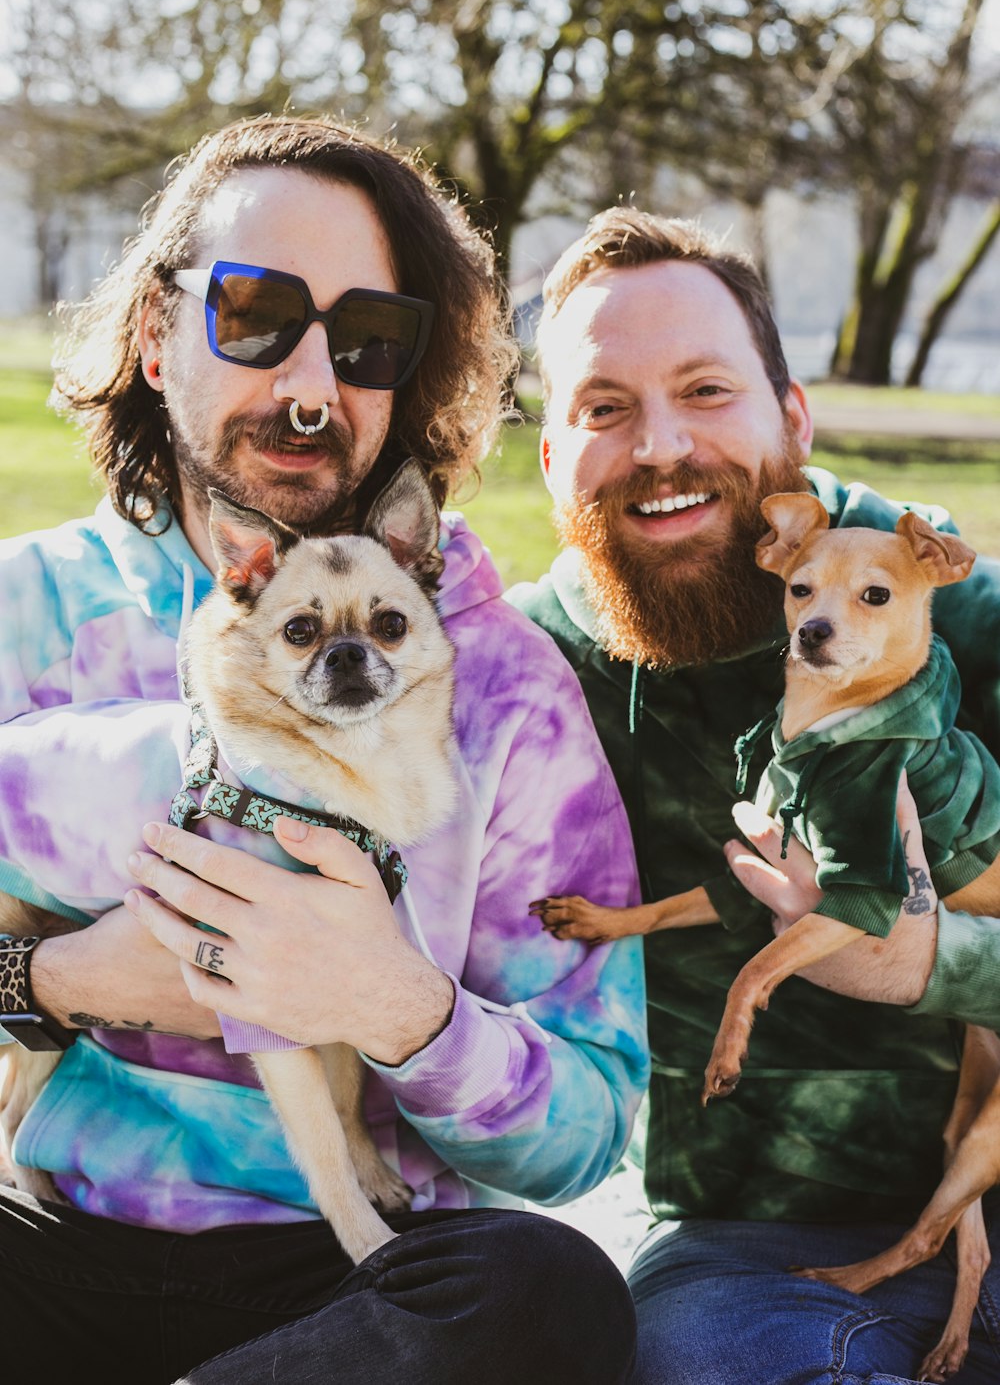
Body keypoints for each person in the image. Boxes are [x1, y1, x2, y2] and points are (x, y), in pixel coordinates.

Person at [0, 119, 648, 1384]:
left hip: (359, 1283)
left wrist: (399, 1010)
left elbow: (590, 1123)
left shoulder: (506, 688)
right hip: (53, 1236)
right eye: (255, 315)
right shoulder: (31, 612)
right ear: (152, 332)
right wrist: (59, 980)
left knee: (550, 1296)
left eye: (367, 343)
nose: (312, 384)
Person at [511, 207, 1000, 1384]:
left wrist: (929, 965)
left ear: (791, 415)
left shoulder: (960, 620)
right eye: (604, 408)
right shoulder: (525, 677)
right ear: (549, 459)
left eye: (705, 390)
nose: (661, 445)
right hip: (745, 1259)